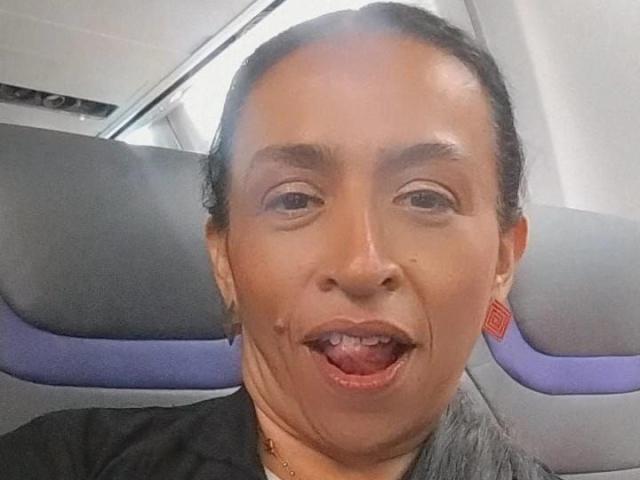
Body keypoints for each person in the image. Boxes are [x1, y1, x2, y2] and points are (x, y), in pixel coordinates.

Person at [0, 3, 561, 479]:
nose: (361, 264)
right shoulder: (71, 461)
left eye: (426, 198)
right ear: (224, 261)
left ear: (502, 260)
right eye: (294, 199)